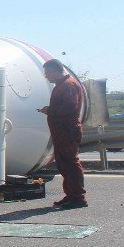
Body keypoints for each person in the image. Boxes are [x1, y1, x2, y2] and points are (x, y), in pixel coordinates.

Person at [37, 59, 87, 208]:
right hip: (62, 131)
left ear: (55, 71)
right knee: (64, 164)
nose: (46, 76)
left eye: (47, 73)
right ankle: (71, 195)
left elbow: (70, 107)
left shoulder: (68, 85)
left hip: (67, 130)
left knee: (70, 163)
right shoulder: (62, 85)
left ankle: (78, 197)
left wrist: (50, 111)